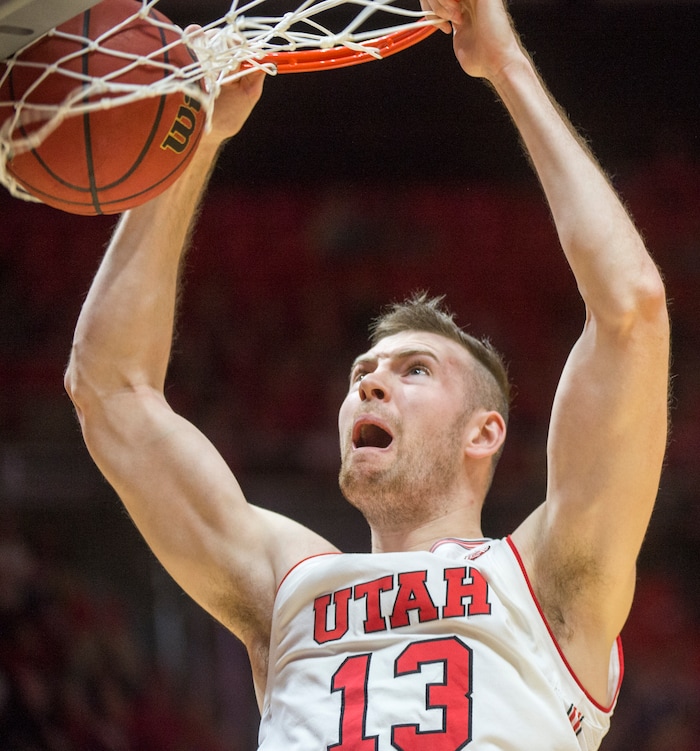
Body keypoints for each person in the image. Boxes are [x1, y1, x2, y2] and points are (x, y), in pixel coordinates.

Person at [64, 0, 670, 748]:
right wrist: (193, 145)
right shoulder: (285, 583)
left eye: (414, 370)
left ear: (486, 431)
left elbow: (631, 313)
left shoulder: (549, 578)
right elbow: (108, 391)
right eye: (363, 373)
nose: (370, 386)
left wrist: (505, 66)